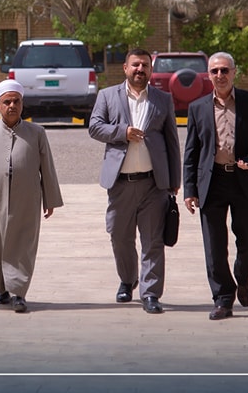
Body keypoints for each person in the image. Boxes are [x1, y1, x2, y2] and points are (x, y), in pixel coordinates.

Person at [182, 52, 248, 321]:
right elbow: (191, 152)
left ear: (234, 72)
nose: (220, 75)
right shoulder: (197, 108)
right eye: (215, 71)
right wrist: (189, 189)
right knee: (214, 245)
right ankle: (223, 298)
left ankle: (243, 277)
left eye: (224, 70)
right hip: (212, 182)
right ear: (208, 75)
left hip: (245, 179)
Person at [89, 47, 180, 314]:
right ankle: (128, 280)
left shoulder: (163, 99)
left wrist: (174, 179)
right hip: (120, 183)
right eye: (136, 65)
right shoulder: (107, 96)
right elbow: (94, 127)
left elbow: (172, 141)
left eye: (145, 65)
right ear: (125, 68)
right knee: (120, 237)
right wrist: (123, 132)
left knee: (153, 240)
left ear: (151, 69)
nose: (140, 69)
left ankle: (150, 293)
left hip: (154, 184)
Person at [0, 80, 64, 313]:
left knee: (23, 243)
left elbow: (47, 167)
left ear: (22, 104)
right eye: (7, 102)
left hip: (26, 198)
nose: (12, 106)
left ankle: (18, 292)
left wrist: (50, 199)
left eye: (16, 101)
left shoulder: (36, 133)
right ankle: (2, 288)